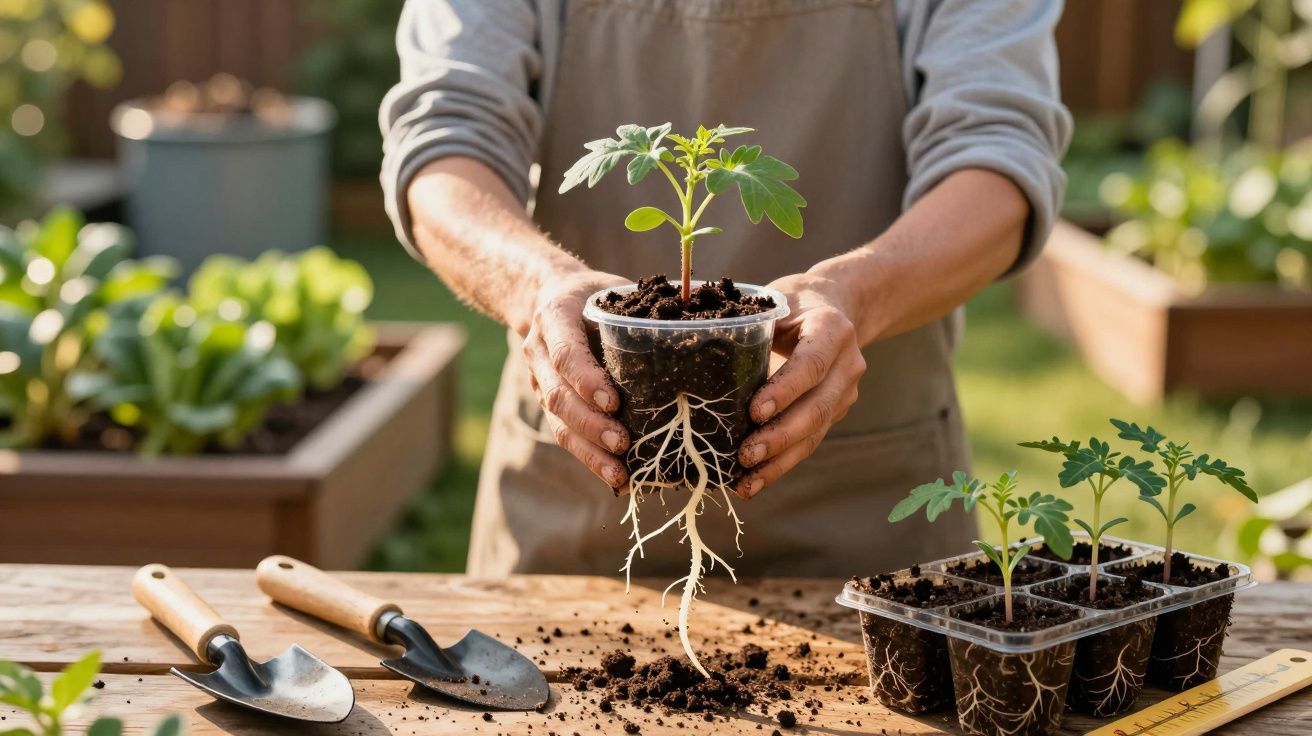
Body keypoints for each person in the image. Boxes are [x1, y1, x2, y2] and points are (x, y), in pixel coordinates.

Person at [380, 0, 1071, 578]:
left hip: (869, 518)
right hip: (579, 517)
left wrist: (854, 292)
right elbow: (444, 136)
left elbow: (1000, 155)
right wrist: (539, 284)